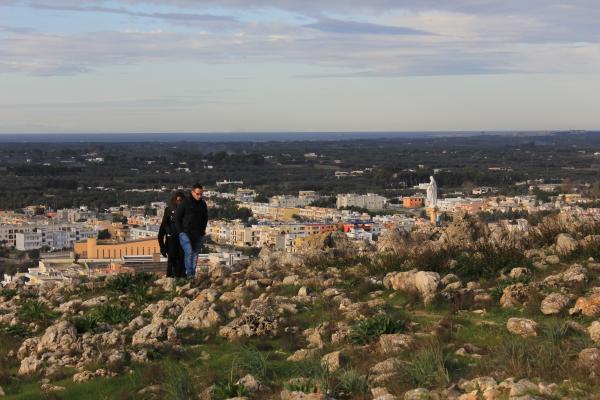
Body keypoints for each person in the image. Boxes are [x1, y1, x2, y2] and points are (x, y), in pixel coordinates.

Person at [175, 183, 208, 278]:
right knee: (189, 252)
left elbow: (205, 218)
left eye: (201, 194)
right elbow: (177, 218)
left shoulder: (203, 204)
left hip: (198, 233)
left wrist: (202, 231)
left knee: (195, 254)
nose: (199, 196)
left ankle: (192, 274)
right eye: (197, 194)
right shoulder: (185, 203)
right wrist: (180, 232)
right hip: (185, 233)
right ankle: (189, 274)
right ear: (192, 192)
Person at [158, 191, 186, 278]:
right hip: (171, 241)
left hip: (182, 242)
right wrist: (162, 247)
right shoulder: (169, 210)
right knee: (171, 262)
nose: (179, 203)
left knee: (182, 262)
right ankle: (170, 280)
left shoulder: (187, 212)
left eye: (181, 201)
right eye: (177, 201)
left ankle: (181, 281)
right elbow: (161, 233)